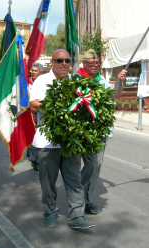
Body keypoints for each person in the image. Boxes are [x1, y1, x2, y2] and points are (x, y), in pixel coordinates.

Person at [30, 49, 94, 229]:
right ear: (52, 62)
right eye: (60, 60)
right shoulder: (42, 80)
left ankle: (76, 218)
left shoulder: (75, 82)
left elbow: (85, 104)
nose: (64, 63)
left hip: (70, 140)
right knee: (48, 182)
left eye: (67, 60)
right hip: (46, 142)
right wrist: (57, 106)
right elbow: (34, 104)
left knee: (74, 180)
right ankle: (50, 212)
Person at [76, 49, 127, 215]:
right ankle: (76, 196)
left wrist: (119, 82)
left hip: (99, 131)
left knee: (94, 165)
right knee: (73, 166)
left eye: (97, 63)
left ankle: (86, 199)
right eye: (92, 63)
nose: (95, 66)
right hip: (78, 130)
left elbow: (116, 96)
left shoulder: (101, 80)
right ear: (84, 63)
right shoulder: (76, 79)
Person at [26, 63, 43, 171]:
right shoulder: (26, 83)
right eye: (32, 70)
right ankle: (35, 160)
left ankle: (31, 153)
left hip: (40, 111)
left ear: (40, 73)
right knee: (32, 134)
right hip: (28, 112)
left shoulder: (43, 83)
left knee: (38, 134)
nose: (33, 72)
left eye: (35, 71)